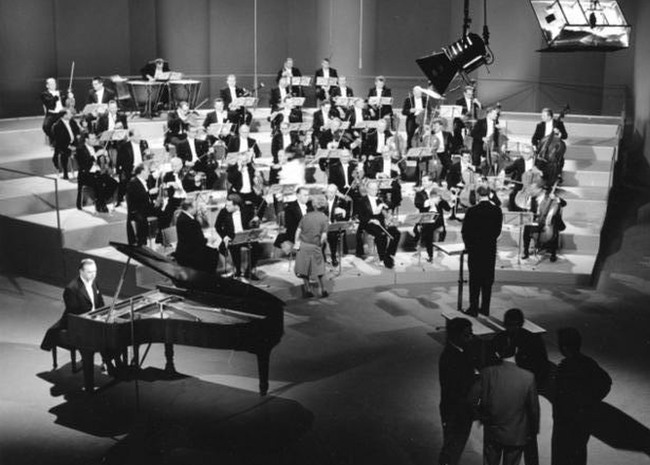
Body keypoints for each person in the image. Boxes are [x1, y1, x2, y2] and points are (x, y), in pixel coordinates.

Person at [40, 259, 120, 374]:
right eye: (89, 272)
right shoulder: (71, 289)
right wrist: (94, 320)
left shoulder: (94, 282)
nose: (93, 275)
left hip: (94, 319)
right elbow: (74, 312)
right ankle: (108, 362)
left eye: (95, 271)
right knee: (100, 335)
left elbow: (100, 302)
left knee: (114, 330)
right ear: (81, 271)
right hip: (77, 323)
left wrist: (104, 315)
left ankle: (113, 361)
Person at [469, 335, 540, 465]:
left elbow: (471, 400)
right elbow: (534, 409)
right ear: (516, 350)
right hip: (516, 433)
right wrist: (533, 430)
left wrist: (481, 416)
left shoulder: (487, 373)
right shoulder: (528, 377)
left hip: (493, 431)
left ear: (497, 353)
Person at [491, 308, 549, 465]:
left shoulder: (533, 340)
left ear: (521, 324)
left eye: (514, 325)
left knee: (528, 435)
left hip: (525, 394)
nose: (510, 328)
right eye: (508, 324)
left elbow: (543, 367)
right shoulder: (499, 339)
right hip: (505, 396)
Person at [551, 327, 612, 465]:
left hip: (566, 422)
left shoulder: (565, 368)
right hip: (583, 420)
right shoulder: (588, 362)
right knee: (578, 454)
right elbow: (606, 382)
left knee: (562, 456)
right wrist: (591, 401)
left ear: (564, 347)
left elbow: (562, 398)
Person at [438, 317, 479, 465]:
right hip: (456, 412)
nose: (471, 337)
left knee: (454, 449)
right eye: (467, 335)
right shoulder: (449, 358)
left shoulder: (462, 350)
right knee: (452, 450)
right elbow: (456, 390)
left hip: (459, 410)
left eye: (471, 333)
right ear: (456, 336)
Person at [461, 185, 503, 316]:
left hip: (475, 250)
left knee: (475, 280)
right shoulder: (497, 210)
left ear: (478, 195)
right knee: (487, 280)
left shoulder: (471, 211)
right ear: (490, 194)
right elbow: (497, 231)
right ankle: (485, 308)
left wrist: (469, 246)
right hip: (489, 249)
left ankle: (473, 308)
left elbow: (465, 232)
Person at [355, 181, 400, 269]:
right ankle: (382, 258)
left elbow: (389, 207)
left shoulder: (379, 199)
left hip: (381, 222)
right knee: (381, 234)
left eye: (376, 189)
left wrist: (387, 215)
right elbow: (360, 217)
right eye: (372, 189)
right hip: (368, 224)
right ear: (367, 189)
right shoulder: (361, 201)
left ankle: (389, 254)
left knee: (396, 233)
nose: (375, 191)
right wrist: (371, 220)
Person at [214, 194, 259, 280]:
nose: (226, 207)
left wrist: (255, 222)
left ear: (236, 205)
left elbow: (251, 224)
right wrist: (224, 237)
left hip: (245, 237)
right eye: (226, 205)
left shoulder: (246, 210)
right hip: (232, 237)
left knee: (258, 248)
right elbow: (217, 226)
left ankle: (248, 271)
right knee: (234, 247)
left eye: (228, 205)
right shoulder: (224, 212)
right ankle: (237, 271)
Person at [294, 195, 330, 298]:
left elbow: (298, 231)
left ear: (314, 205)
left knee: (304, 270)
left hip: (303, 246)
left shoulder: (306, 216)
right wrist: (321, 246)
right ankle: (323, 289)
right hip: (315, 246)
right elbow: (323, 236)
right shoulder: (324, 218)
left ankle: (308, 289)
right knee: (320, 269)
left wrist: (296, 244)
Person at [522, 187, 566, 262]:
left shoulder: (554, 200)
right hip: (538, 220)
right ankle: (525, 251)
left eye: (546, 192)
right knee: (526, 227)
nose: (545, 194)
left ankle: (553, 254)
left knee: (554, 228)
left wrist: (556, 198)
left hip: (549, 223)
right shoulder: (535, 198)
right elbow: (531, 210)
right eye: (544, 192)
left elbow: (564, 203)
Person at [175, 199, 219, 273]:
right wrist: (208, 240)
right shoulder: (188, 221)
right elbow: (196, 240)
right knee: (214, 253)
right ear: (189, 208)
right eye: (195, 207)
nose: (197, 208)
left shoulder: (184, 217)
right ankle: (208, 278)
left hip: (188, 248)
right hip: (189, 252)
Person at [414, 176, 451, 262]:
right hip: (426, 218)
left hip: (437, 219)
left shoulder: (438, 192)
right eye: (422, 181)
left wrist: (446, 200)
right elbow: (418, 205)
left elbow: (447, 208)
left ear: (431, 182)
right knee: (428, 228)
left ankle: (434, 251)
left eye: (425, 181)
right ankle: (430, 254)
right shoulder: (420, 194)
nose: (423, 183)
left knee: (431, 228)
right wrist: (428, 202)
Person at [126, 163, 159, 246]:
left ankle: (160, 237)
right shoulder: (133, 182)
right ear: (142, 172)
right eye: (147, 171)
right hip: (137, 210)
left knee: (164, 212)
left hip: (146, 207)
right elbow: (137, 197)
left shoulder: (145, 182)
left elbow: (147, 196)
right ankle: (141, 243)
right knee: (141, 220)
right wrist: (149, 192)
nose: (149, 173)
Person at [116, 129, 149, 206]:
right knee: (126, 180)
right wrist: (133, 168)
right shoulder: (124, 147)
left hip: (143, 167)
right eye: (137, 136)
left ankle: (147, 197)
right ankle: (122, 199)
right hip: (130, 168)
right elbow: (122, 162)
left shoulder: (144, 143)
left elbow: (148, 157)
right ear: (131, 137)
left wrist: (148, 154)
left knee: (151, 176)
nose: (139, 138)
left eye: (140, 135)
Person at [324, 184, 351, 267]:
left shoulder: (341, 201)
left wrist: (343, 212)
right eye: (328, 192)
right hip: (323, 225)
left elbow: (347, 216)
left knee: (332, 235)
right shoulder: (322, 200)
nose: (329, 194)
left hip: (334, 226)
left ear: (336, 193)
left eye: (331, 192)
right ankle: (322, 257)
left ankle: (333, 256)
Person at [41, 77, 73, 144]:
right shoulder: (44, 94)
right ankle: (54, 139)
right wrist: (56, 96)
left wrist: (69, 97)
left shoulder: (60, 92)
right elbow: (50, 104)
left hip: (62, 113)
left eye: (54, 83)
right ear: (47, 86)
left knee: (72, 123)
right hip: (52, 114)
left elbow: (65, 103)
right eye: (51, 84)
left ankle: (70, 139)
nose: (54, 85)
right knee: (45, 126)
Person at [51, 109, 81, 179]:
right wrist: (69, 146)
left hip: (73, 143)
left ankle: (82, 170)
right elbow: (59, 140)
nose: (71, 115)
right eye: (69, 114)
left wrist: (78, 135)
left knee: (83, 150)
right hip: (62, 145)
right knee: (64, 154)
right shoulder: (57, 125)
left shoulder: (72, 121)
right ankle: (65, 172)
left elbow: (77, 130)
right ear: (64, 115)